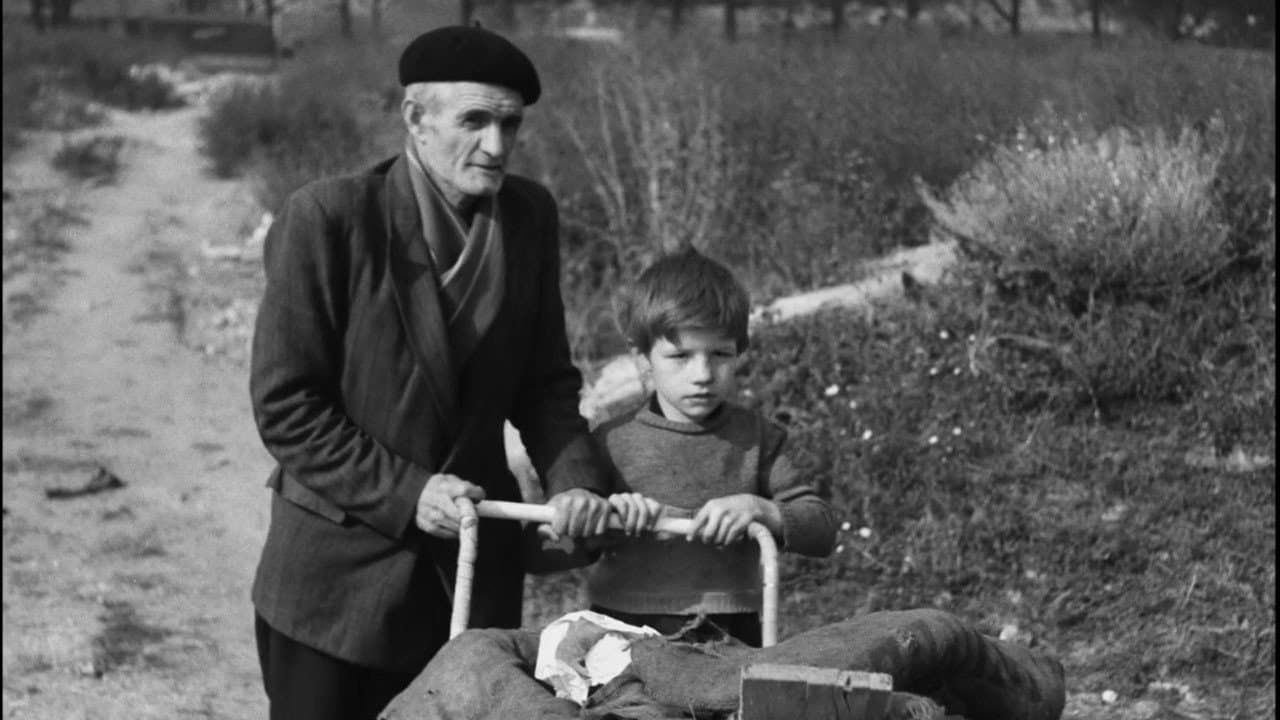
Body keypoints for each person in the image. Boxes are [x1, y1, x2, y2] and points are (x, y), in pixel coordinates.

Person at [247, 26, 614, 720]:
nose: (498, 146)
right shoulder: (330, 218)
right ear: (415, 119)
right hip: (335, 584)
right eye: (474, 121)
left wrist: (577, 487)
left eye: (510, 124)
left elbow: (544, 386)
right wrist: (409, 493)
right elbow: (287, 405)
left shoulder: (530, 216)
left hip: (471, 584)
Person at [585, 249, 840, 646]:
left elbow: (822, 529)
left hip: (730, 636)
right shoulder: (610, 441)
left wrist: (762, 510)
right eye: (680, 356)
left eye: (720, 354)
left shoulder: (760, 438)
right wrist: (604, 517)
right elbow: (556, 545)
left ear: (740, 350)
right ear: (642, 358)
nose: (702, 374)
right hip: (622, 632)